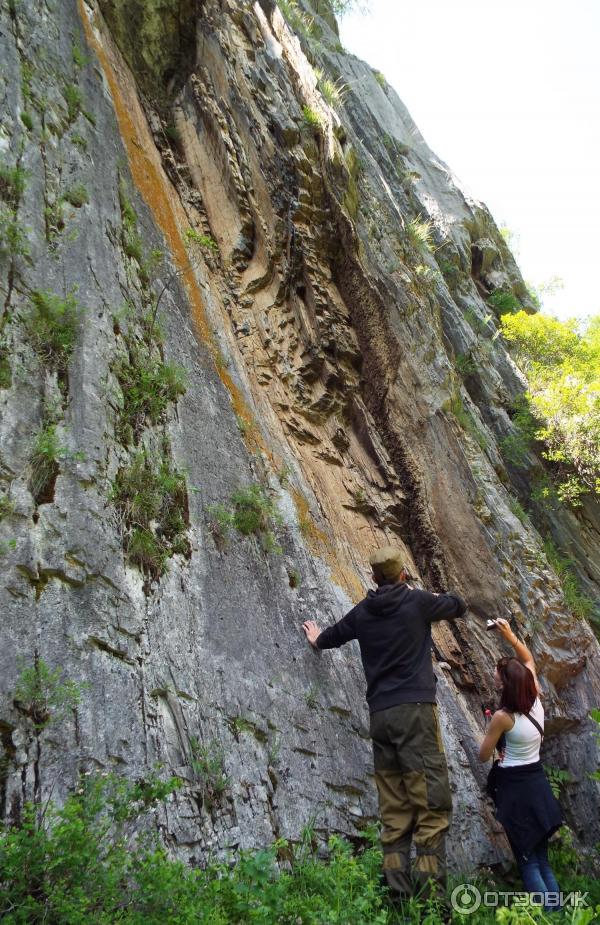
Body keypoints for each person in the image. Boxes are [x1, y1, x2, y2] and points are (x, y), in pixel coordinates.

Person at [302, 545, 467, 905]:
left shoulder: (363, 612)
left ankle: (397, 899)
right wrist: (432, 595)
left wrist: (315, 638)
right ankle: (431, 905)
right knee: (431, 808)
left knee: (394, 812)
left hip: (381, 718)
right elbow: (458, 605)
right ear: (403, 574)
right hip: (416, 714)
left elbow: (331, 637)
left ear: (374, 577)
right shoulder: (418, 602)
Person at [478, 618, 563, 911]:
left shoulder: (503, 717)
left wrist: (489, 726)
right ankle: (560, 913)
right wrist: (509, 635)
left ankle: (546, 916)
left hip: (516, 790)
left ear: (507, 685)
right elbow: (527, 659)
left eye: (498, 674)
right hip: (537, 784)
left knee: (527, 862)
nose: (494, 675)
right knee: (542, 859)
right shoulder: (535, 699)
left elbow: (483, 753)